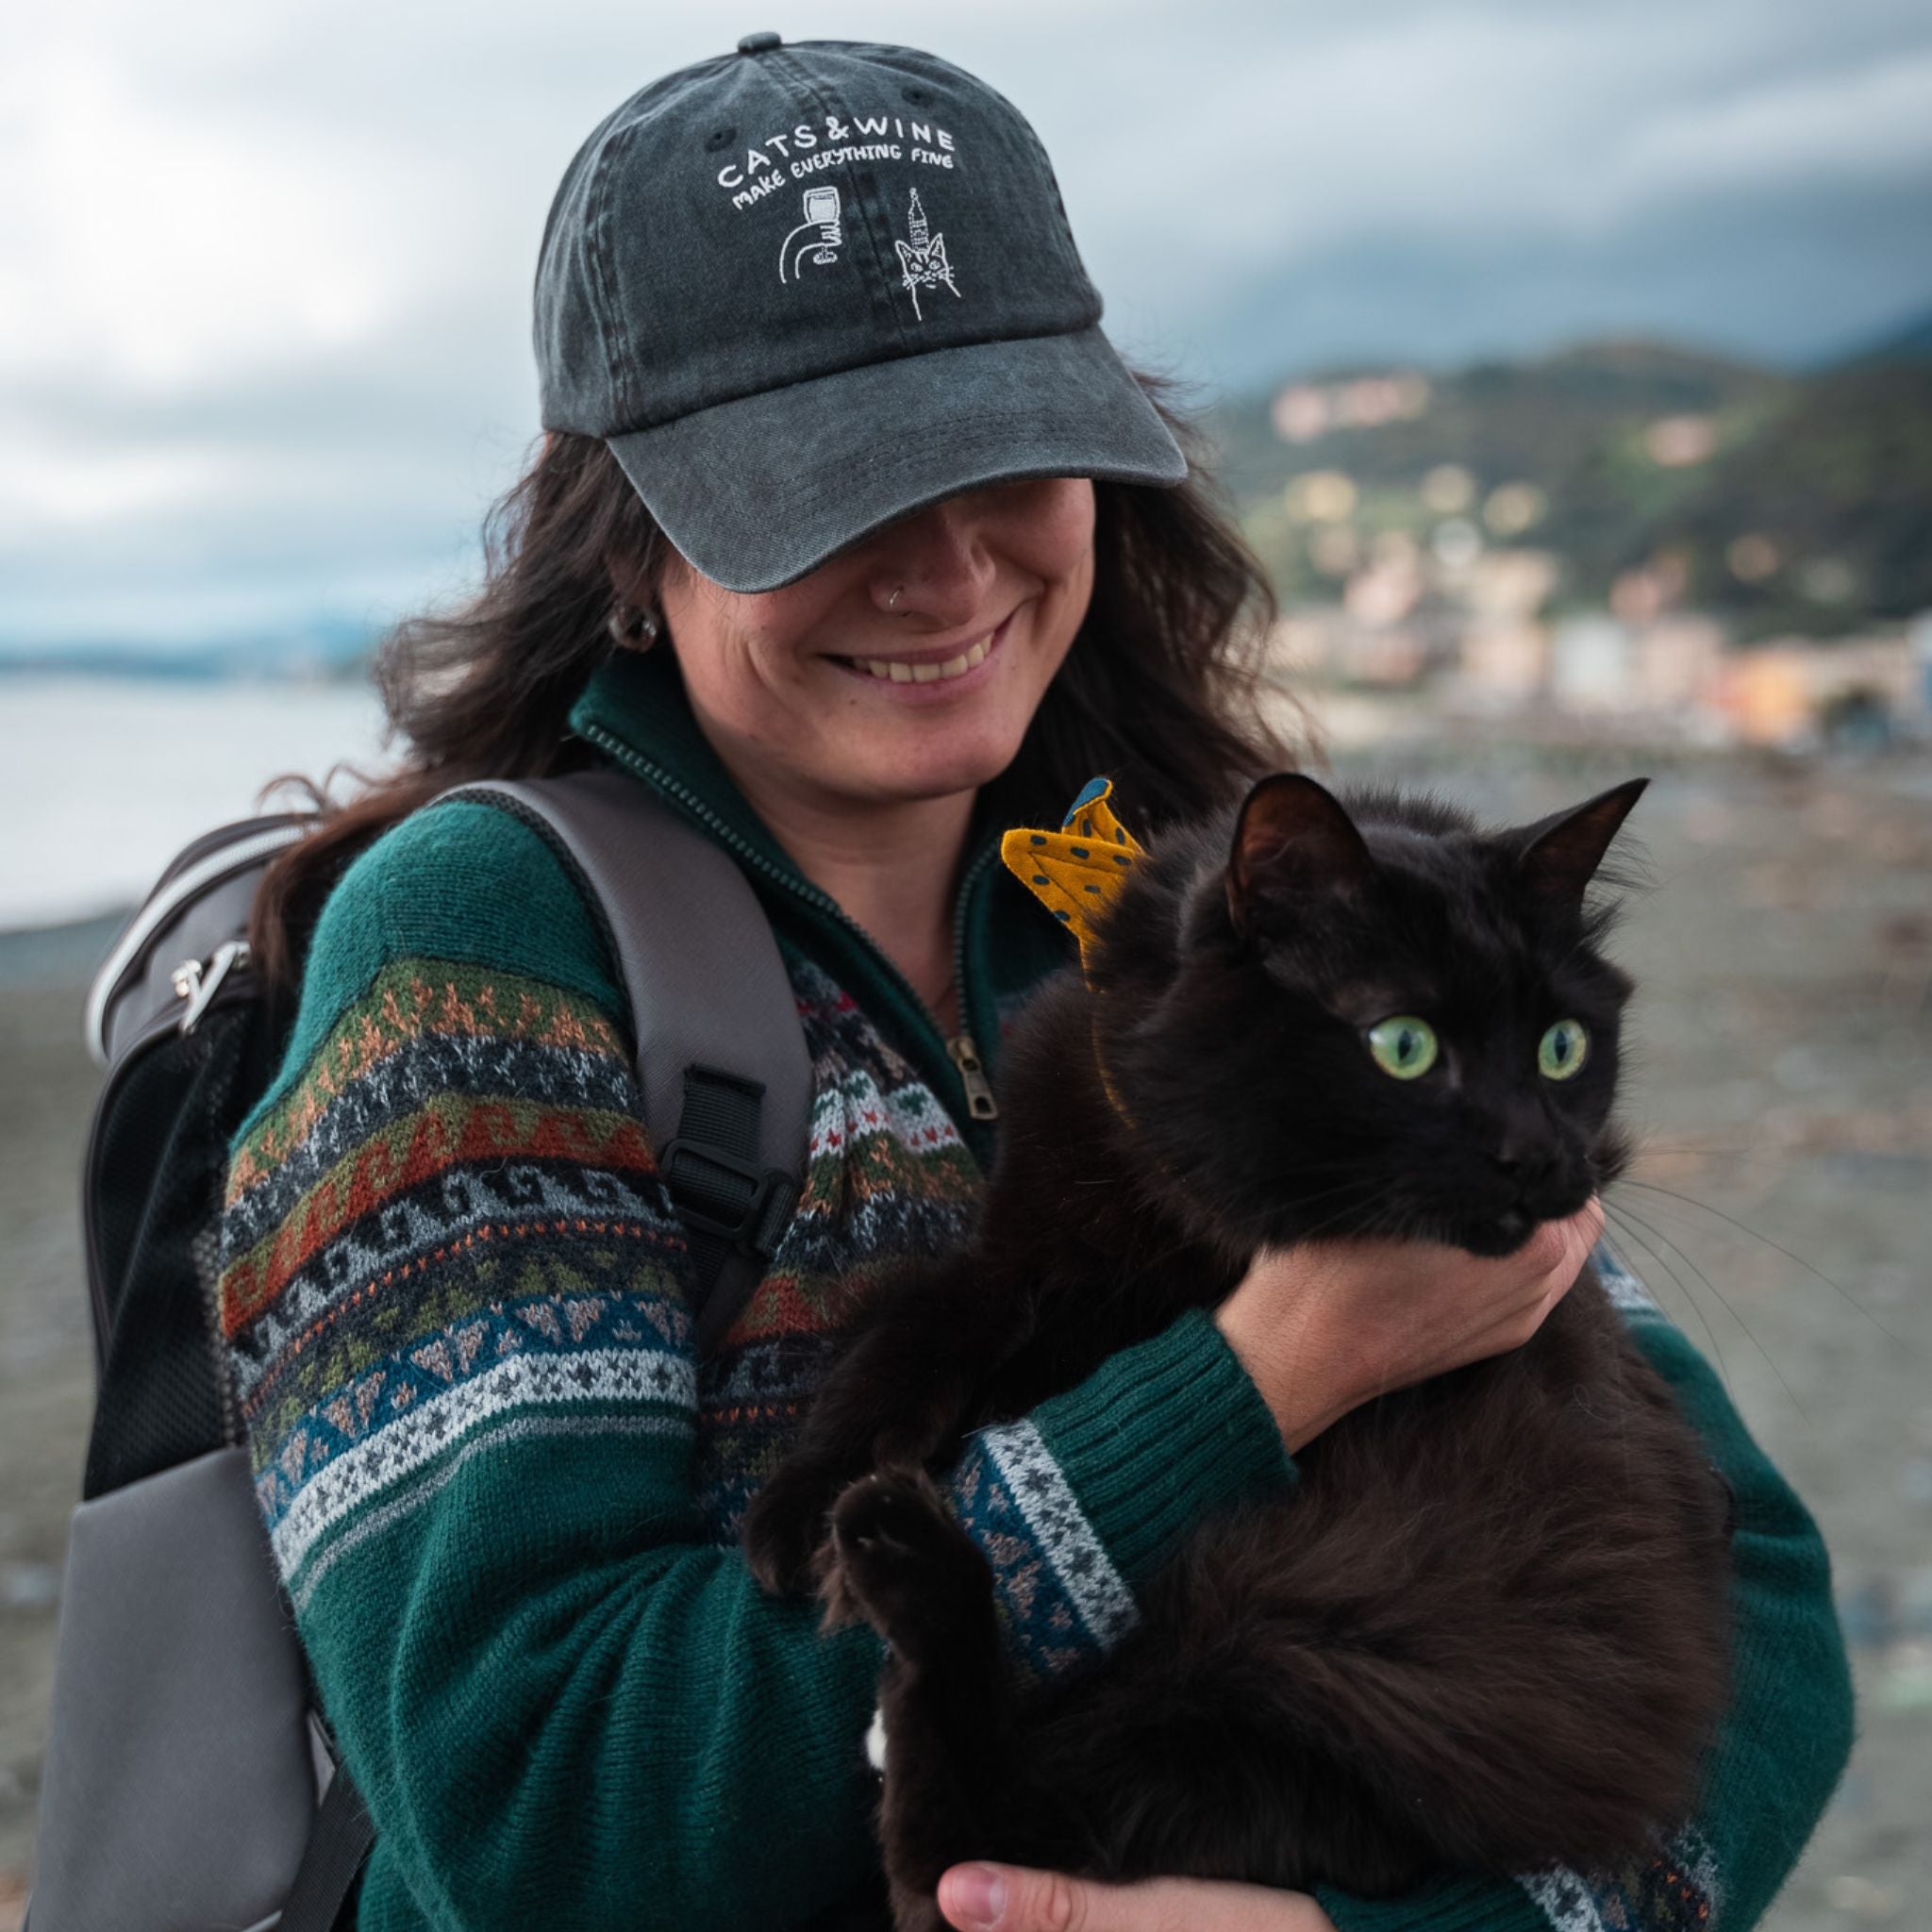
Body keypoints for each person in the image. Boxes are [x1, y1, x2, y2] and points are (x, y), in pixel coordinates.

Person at [225, 36, 1852, 1932]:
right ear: (628, 542)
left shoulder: (1215, 899)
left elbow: (1761, 1612)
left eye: (1004, 456)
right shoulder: (476, 951)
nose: (945, 568)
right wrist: (1260, 1379)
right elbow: (545, 1817)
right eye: (824, 490)